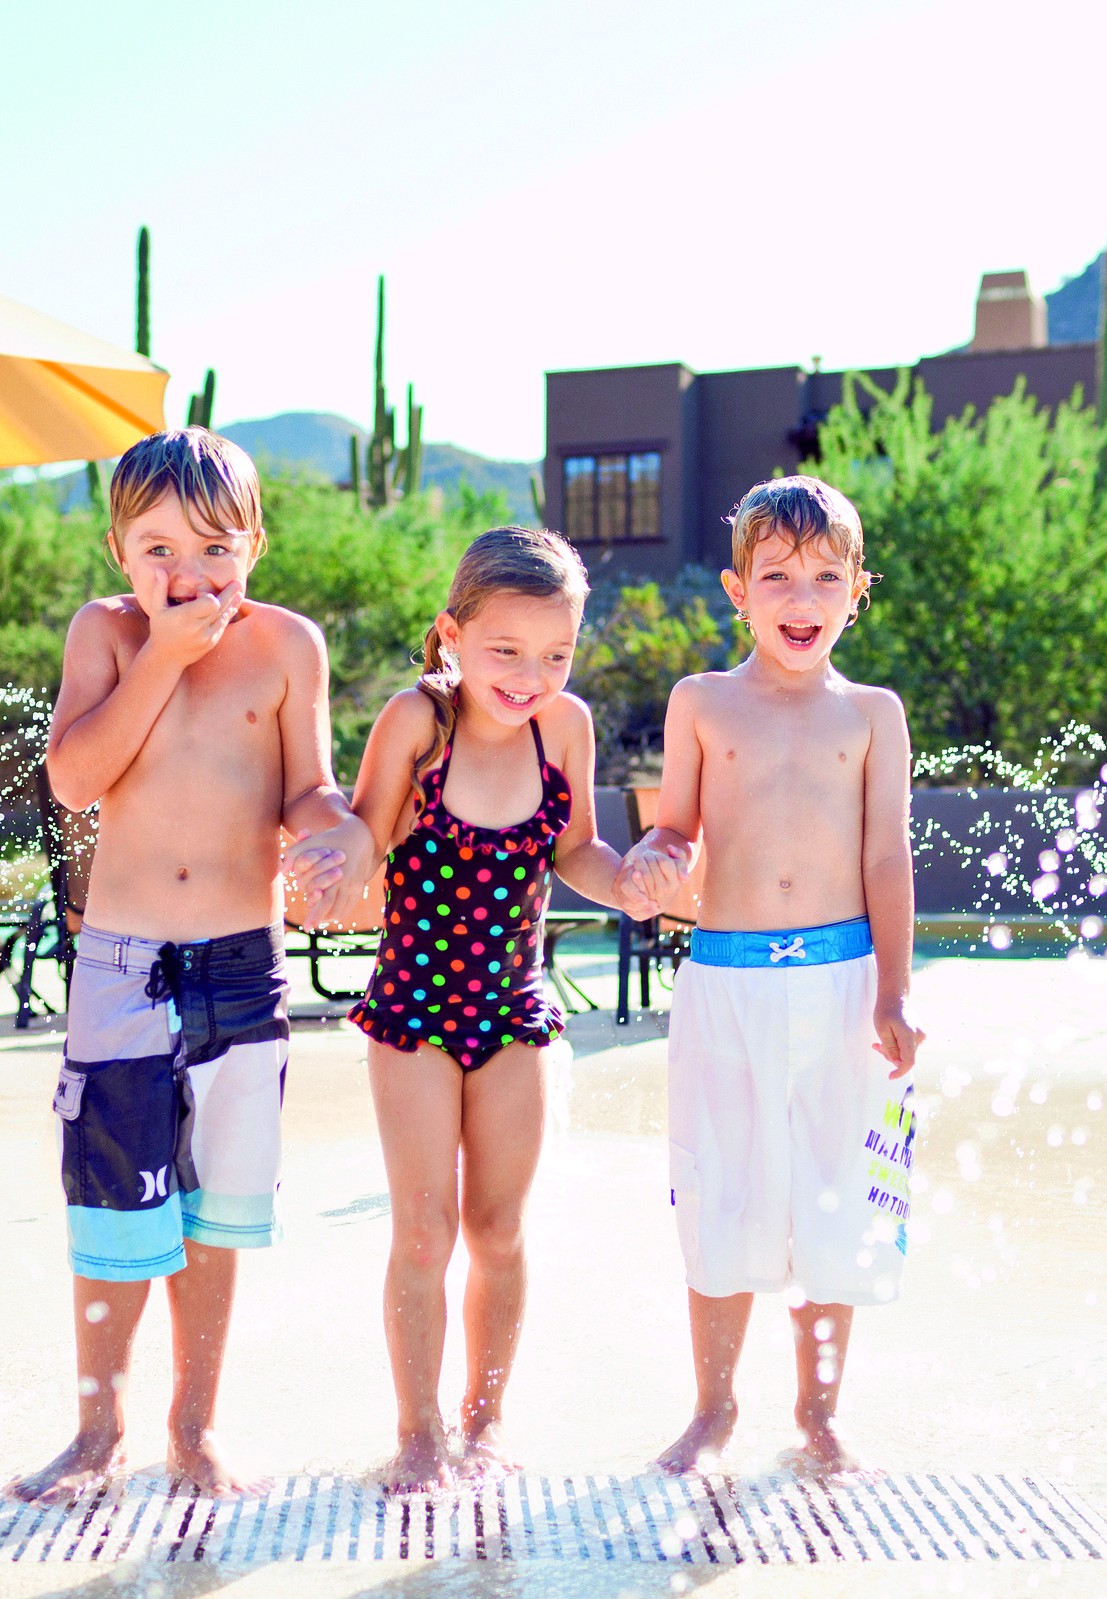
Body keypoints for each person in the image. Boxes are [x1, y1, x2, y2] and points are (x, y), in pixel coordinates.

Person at [13, 428, 371, 1500]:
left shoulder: (287, 648)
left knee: (214, 1209)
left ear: (255, 542)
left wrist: (337, 828)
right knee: (112, 1202)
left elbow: (305, 785)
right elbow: (76, 777)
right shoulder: (108, 637)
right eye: (159, 549)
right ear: (120, 550)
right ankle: (96, 1430)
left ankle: (194, 1427)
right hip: (122, 963)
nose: (188, 574)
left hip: (238, 962)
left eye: (215, 548)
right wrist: (162, 658)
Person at [619, 475, 924, 1480]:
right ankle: (714, 1408)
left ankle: (819, 1414)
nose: (802, 599)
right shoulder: (701, 701)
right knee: (720, 1190)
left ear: (858, 592)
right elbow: (680, 821)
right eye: (778, 577)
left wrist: (894, 990)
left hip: (843, 983)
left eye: (825, 578)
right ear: (736, 590)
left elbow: (888, 857)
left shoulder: (873, 715)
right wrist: (661, 853)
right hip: (726, 979)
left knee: (837, 1200)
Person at [346, 525, 652, 1488]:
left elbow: (578, 853)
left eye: (555, 655)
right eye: (506, 652)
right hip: (412, 1008)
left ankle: (482, 1425)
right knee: (423, 1230)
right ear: (451, 636)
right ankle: (416, 1431)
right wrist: (322, 862)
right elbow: (360, 837)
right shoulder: (416, 724)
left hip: (514, 1007)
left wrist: (636, 878)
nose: (529, 675)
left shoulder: (563, 728)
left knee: (498, 1229)